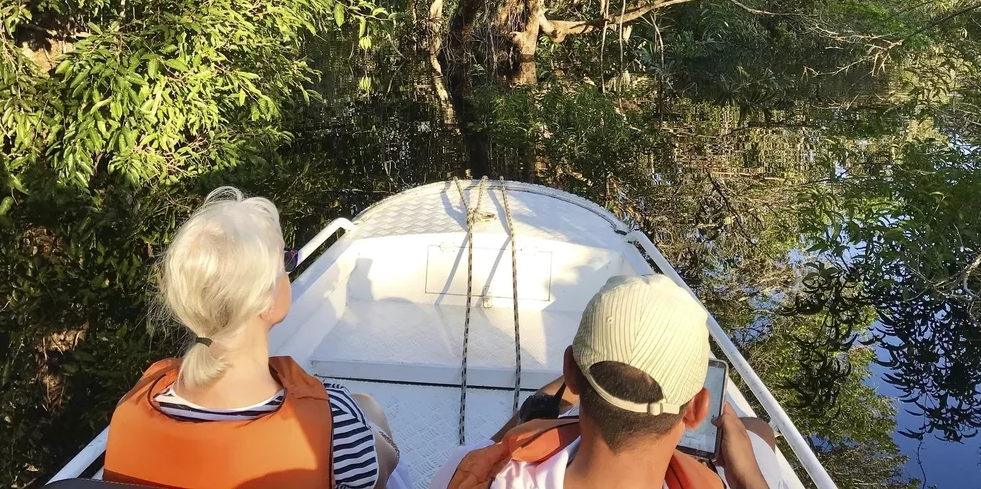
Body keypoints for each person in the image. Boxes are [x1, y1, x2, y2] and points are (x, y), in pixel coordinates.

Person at [103, 187, 406, 489]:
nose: (290, 267)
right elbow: (385, 469)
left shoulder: (132, 407)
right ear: (265, 300)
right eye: (286, 260)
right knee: (369, 411)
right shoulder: (333, 419)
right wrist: (371, 428)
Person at [428, 274, 786, 489]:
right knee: (758, 430)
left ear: (570, 370)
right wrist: (748, 481)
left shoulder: (475, 473)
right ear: (696, 410)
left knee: (539, 411)